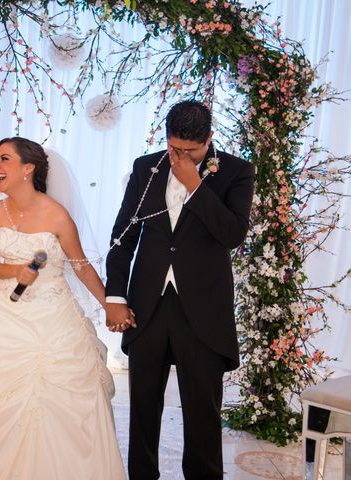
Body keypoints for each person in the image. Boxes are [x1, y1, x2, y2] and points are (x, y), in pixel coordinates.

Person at [0, 137, 126, 479]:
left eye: (4, 159)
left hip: (55, 317)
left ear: (28, 168)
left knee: (58, 397)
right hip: (6, 315)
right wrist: (16, 271)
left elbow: (81, 265)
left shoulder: (57, 215)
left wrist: (109, 306)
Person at [105, 100, 255, 479]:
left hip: (203, 310)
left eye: (191, 151)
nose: (180, 157)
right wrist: (115, 297)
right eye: (175, 149)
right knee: (142, 409)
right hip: (148, 306)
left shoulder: (237, 172)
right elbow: (124, 236)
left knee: (203, 413)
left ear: (209, 139)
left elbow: (232, 234)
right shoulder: (146, 167)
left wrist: (195, 185)